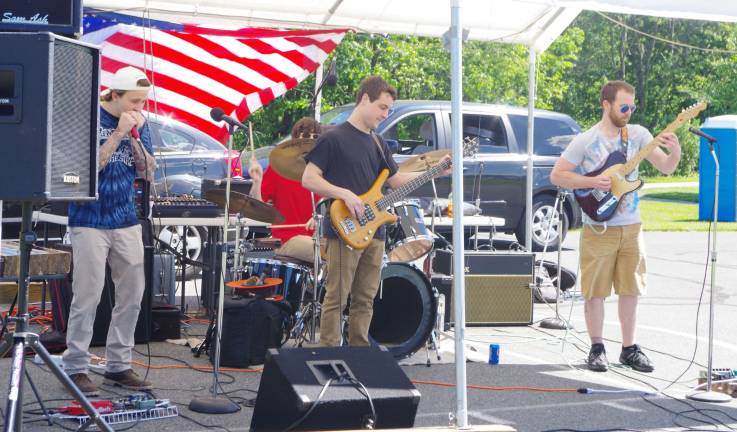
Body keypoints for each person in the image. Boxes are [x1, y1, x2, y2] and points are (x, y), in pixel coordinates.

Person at [302, 75, 450, 347]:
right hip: (343, 228)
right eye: (382, 107)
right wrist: (344, 193)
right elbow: (309, 179)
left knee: (366, 297)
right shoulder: (332, 137)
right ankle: (328, 353)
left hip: (376, 229)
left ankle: (359, 353)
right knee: (337, 296)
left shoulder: (378, 143)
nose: (386, 114)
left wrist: (435, 172)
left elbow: (395, 182)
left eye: (389, 110)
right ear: (364, 99)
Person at [550, 80, 681, 372]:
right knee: (595, 291)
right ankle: (597, 348)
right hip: (598, 228)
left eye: (632, 107)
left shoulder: (638, 135)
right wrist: (590, 181)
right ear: (606, 105)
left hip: (632, 226)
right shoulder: (586, 140)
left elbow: (666, 167)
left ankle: (629, 348)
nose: (629, 112)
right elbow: (557, 175)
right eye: (624, 107)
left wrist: (675, 152)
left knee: (630, 289)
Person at [63, 66, 157, 395]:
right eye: (133, 101)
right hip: (89, 218)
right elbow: (87, 170)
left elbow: (147, 172)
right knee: (87, 296)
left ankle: (118, 365)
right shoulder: (89, 120)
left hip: (125, 217)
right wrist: (118, 133)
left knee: (132, 294)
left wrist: (134, 139)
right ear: (114, 96)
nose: (139, 108)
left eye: (143, 102)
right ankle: (74, 366)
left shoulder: (139, 124)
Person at [248, 117, 323, 264]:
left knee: (343, 251)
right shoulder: (278, 169)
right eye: (306, 137)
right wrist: (257, 181)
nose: (310, 141)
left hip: (319, 237)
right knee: (323, 251)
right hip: (288, 239)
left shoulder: (323, 170)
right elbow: (258, 207)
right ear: (294, 141)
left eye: (315, 137)